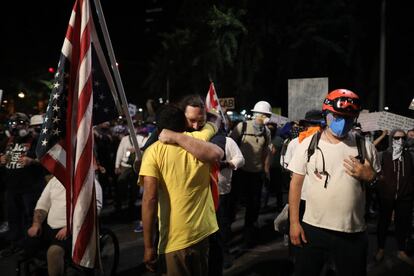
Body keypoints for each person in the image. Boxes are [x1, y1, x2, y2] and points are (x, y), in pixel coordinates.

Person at [288, 89, 381, 276]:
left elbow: (382, 186)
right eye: (338, 116)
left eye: (349, 117)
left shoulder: (366, 147)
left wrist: (370, 176)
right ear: (326, 115)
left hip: (352, 233)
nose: (343, 122)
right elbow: (295, 185)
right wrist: (294, 223)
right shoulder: (307, 145)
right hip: (313, 230)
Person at [140, 104, 223, 275]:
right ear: (184, 122)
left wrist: (148, 246)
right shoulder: (199, 142)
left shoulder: (152, 152)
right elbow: (215, 120)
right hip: (203, 231)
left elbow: (149, 199)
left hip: (174, 239)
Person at [26, 176, 102, 276]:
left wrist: (70, 227)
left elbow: (95, 209)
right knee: (28, 244)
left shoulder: (89, 181)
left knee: (54, 252)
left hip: (74, 229)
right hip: (50, 228)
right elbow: (43, 204)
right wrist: (36, 223)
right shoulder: (54, 181)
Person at [0, 112, 45, 256]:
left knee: (29, 217)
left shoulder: (36, 140)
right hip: (12, 187)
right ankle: (16, 244)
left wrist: (31, 161)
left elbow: (47, 161)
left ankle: (31, 246)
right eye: (14, 124)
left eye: (20, 123)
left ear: (27, 125)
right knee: (13, 217)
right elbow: (2, 155)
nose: (17, 127)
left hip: (31, 187)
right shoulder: (8, 141)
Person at [229, 100, 272, 247]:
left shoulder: (266, 132)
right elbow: (230, 145)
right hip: (240, 173)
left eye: (267, 115)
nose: (265, 118)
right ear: (256, 114)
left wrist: (266, 172)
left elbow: (265, 153)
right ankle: (227, 233)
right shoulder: (242, 127)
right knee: (234, 205)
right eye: (263, 115)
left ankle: (249, 235)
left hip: (256, 175)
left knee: (253, 207)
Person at [374, 129, 414, 266]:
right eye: (396, 138)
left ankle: (401, 250)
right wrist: (381, 187)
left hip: (405, 196)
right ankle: (380, 248)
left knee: (403, 223)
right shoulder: (384, 155)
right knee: (383, 222)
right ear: (392, 139)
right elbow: (376, 171)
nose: (400, 141)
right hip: (386, 195)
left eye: (402, 138)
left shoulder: (409, 156)